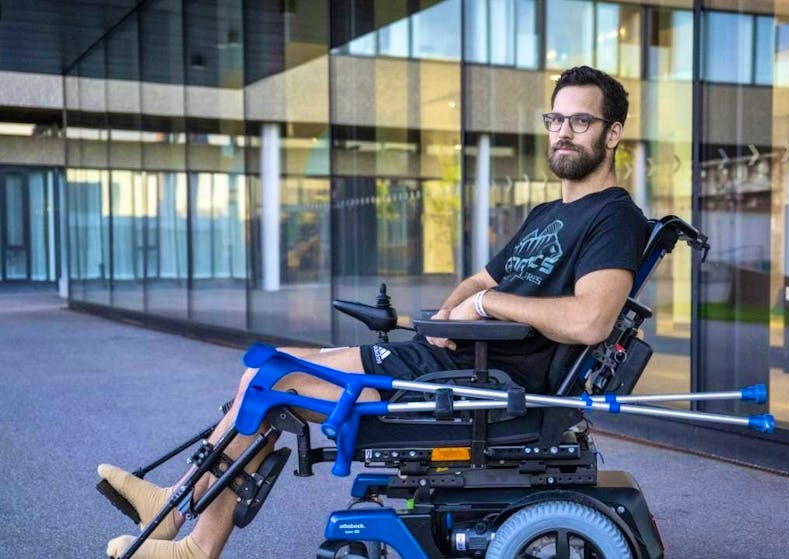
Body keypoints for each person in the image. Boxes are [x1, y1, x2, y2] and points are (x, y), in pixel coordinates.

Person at [101, 65, 649, 559]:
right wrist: (446, 317)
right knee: (265, 370)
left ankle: (184, 524)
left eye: (580, 121)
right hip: (448, 359)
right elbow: (480, 278)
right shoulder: (548, 213)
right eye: (556, 118)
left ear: (612, 132)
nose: (563, 132)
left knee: (268, 381)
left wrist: (483, 306)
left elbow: (590, 321)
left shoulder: (613, 217)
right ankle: (183, 521)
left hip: (486, 384)